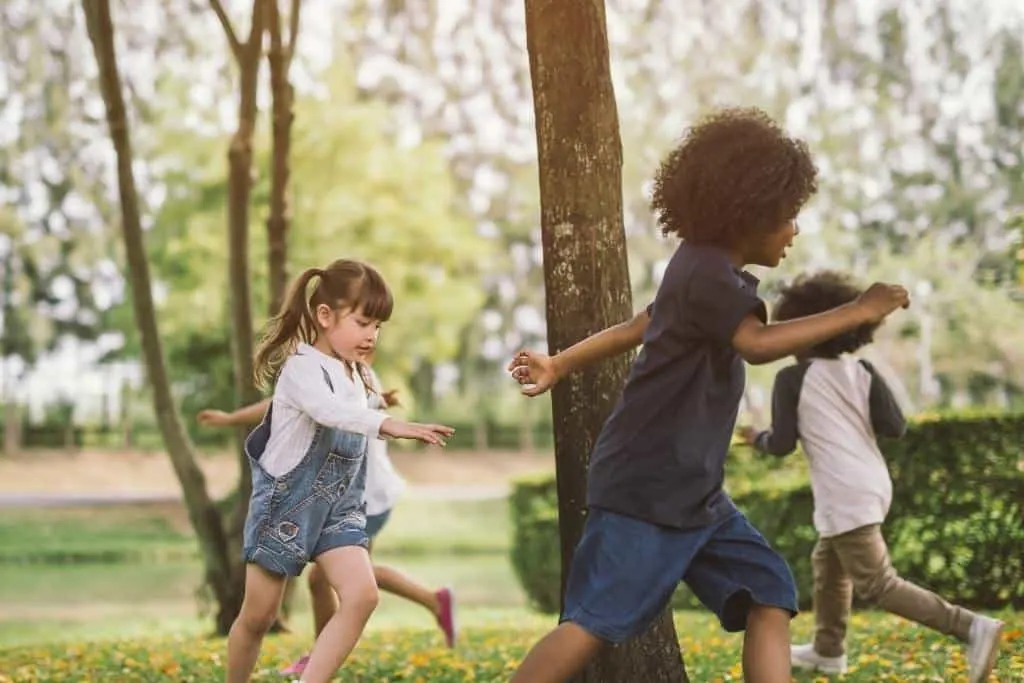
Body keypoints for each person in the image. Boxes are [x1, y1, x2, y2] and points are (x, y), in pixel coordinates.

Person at [507, 106, 910, 683]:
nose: (794, 231)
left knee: (769, 589)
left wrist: (559, 362)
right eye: (788, 217)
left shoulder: (695, 268)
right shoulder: (709, 276)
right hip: (648, 487)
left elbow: (642, 324)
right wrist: (857, 310)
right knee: (592, 621)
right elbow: (758, 344)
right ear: (749, 212)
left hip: (693, 492)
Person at [737, 270, 1003, 682]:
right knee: (828, 563)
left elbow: (782, 443)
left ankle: (970, 627)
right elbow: (894, 426)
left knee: (878, 583)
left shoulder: (792, 379)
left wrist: (757, 438)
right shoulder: (861, 370)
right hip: (871, 481)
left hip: (844, 489)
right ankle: (828, 650)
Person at [225, 259, 454, 683]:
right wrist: (389, 425)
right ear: (325, 316)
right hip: (285, 509)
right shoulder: (301, 367)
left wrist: (385, 408)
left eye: (378, 326)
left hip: (339, 508)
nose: (372, 335)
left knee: (363, 596)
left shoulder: (360, 373)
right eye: (364, 322)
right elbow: (330, 413)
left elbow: (358, 411)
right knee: (258, 618)